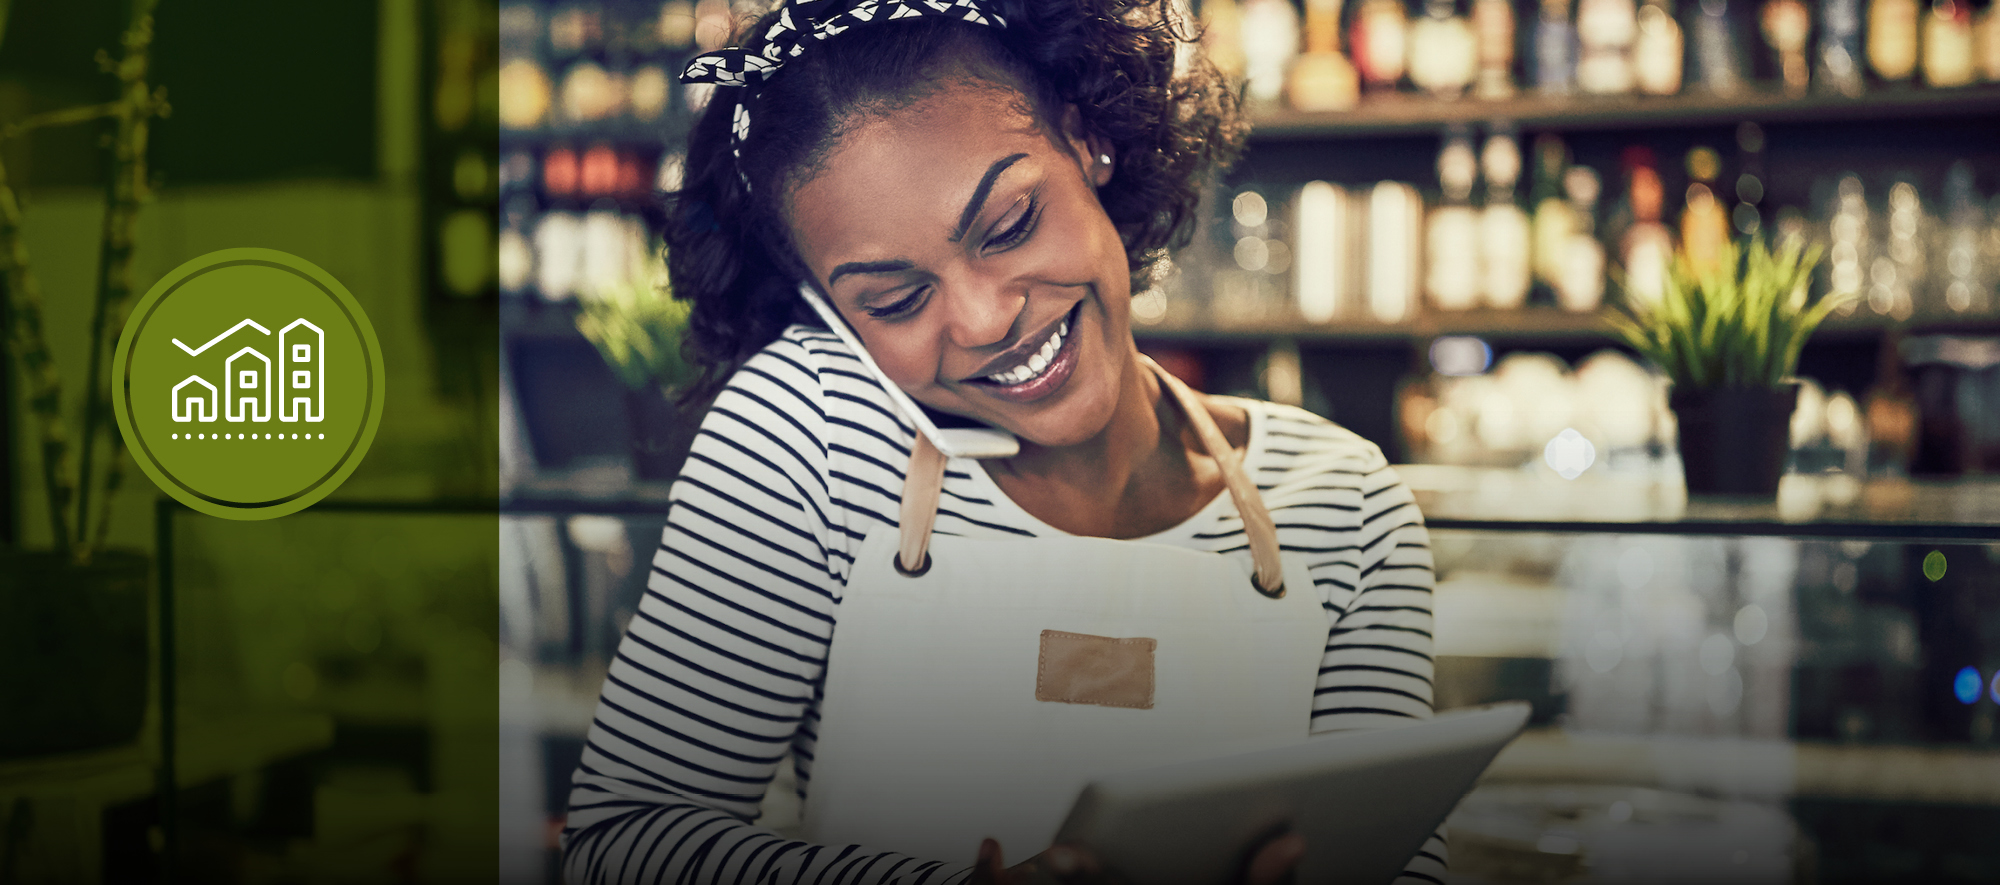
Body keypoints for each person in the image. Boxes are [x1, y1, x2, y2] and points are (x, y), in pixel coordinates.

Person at [560, 0, 1442, 881]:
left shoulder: (1346, 505)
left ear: (1085, 139)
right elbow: (623, 843)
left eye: (1012, 223)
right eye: (896, 300)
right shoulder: (813, 430)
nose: (984, 319)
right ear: (830, 313)